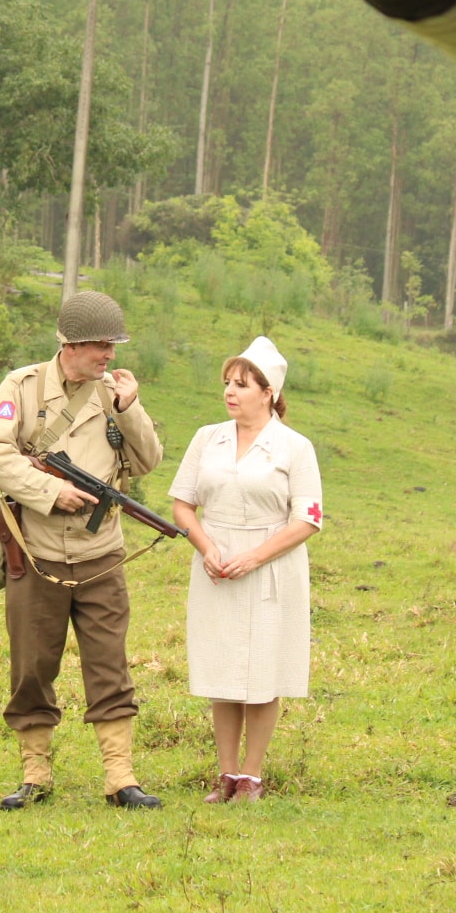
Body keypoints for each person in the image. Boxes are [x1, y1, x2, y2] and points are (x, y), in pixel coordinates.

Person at [0, 290, 166, 811]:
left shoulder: (113, 394)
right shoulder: (24, 387)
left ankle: (120, 778)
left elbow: (147, 461)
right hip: (36, 551)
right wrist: (51, 492)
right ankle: (35, 774)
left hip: (102, 552)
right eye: (101, 346)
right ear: (71, 345)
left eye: (113, 345)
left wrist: (130, 409)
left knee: (109, 663)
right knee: (32, 665)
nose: (110, 356)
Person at [168, 335, 323, 803]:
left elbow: (309, 518)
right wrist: (207, 547)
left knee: (262, 671)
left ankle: (252, 775)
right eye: (228, 384)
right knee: (222, 671)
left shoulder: (294, 447)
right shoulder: (206, 439)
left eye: (241, 384)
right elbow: (182, 504)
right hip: (216, 566)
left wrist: (255, 556)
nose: (230, 392)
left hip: (271, 567)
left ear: (268, 393)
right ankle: (227, 774)